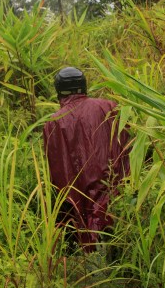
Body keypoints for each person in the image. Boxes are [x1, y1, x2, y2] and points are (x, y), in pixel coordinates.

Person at [43, 67, 130, 252]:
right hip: (120, 199)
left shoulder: (54, 122)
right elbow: (128, 147)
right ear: (84, 86)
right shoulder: (109, 106)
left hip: (81, 206)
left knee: (91, 251)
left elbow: (57, 173)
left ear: (59, 91)